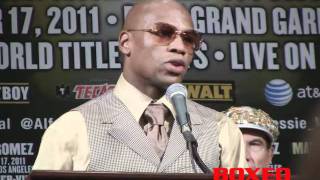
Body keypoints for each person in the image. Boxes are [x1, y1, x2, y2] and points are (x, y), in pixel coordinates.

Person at [32, 0, 247, 173]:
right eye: (164, 32)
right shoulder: (73, 129)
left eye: (189, 38)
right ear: (126, 43)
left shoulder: (220, 129)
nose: (180, 47)